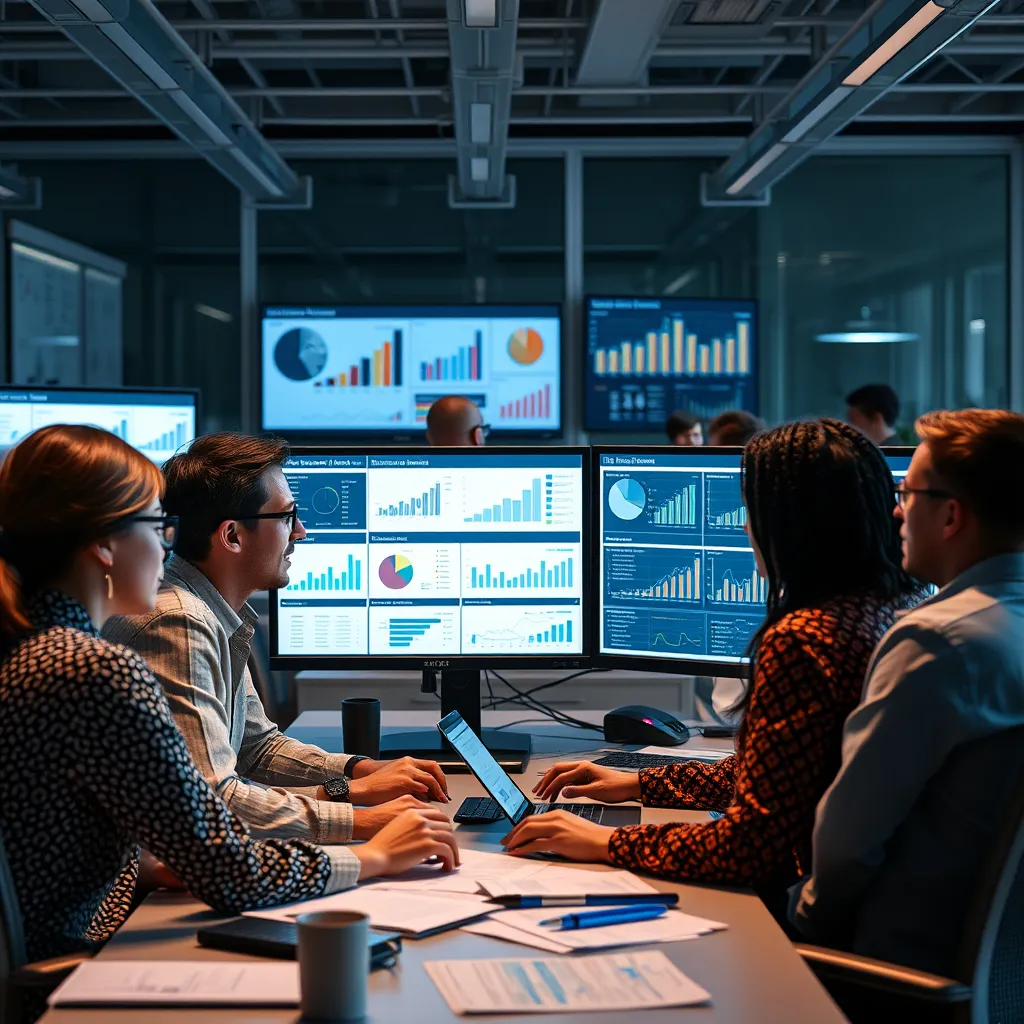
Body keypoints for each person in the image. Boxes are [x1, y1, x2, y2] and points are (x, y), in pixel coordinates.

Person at [0, 425, 458, 966]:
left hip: (91, 923)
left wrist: (350, 780)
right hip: (82, 959)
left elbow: (238, 767)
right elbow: (227, 864)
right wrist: (375, 854)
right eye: (155, 525)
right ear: (102, 547)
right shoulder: (95, 669)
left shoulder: (42, 650)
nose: (164, 544)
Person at [502, 419, 922, 918]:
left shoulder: (803, 641)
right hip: (881, 903)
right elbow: (780, 778)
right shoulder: (884, 612)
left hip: (801, 914)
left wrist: (605, 842)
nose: (745, 527)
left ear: (791, 523)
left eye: (753, 509)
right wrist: (639, 783)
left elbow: (749, 846)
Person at [104, 433, 450, 847]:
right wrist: (361, 816)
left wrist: (360, 769)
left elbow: (256, 748)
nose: (301, 532)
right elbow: (214, 800)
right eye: (287, 516)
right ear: (232, 536)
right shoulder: (178, 623)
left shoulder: (213, 611)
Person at [791, 409, 1024, 976]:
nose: (896, 509)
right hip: (993, 967)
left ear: (949, 516)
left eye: (908, 491)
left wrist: (801, 917)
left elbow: (847, 843)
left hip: (894, 960)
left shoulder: (936, 641)